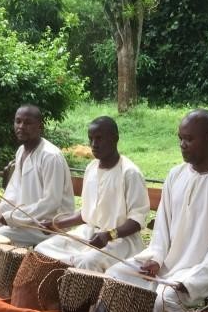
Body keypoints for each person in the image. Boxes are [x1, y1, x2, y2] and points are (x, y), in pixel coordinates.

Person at [106, 109, 208, 312]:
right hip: (165, 263)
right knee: (115, 275)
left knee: (165, 296)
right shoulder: (175, 175)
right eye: (180, 138)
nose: (182, 144)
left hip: (202, 270)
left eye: (189, 139)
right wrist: (156, 258)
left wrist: (190, 282)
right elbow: (162, 229)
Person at [34, 116, 150, 272]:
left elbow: (137, 221)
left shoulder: (130, 173)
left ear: (114, 139)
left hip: (120, 240)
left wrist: (108, 236)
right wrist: (57, 224)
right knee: (43, 248)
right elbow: (86, 214)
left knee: (87, 262)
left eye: (99, 138)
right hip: (90, 233)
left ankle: (81, 296)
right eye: (91, 139)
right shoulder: (91, 168)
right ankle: (54, 294)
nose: (94, 144)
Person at [0, 105, 74, 246]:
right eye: (18, 121)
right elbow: (14, 191)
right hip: (23, 219)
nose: (21, 126)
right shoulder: (21, 150)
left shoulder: (51, 156)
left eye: (27, 123)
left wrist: (11, 217)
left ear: (40, 127)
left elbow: (51, 203)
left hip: (47, 225)